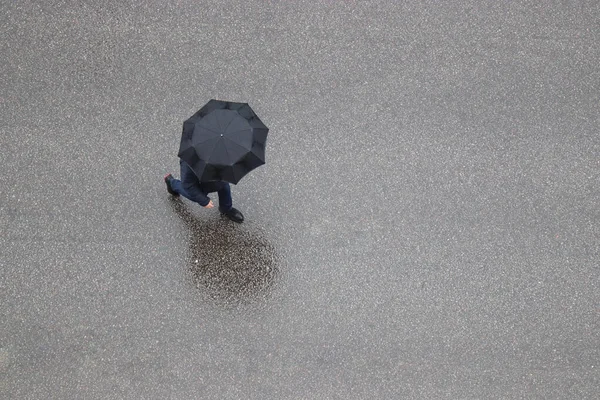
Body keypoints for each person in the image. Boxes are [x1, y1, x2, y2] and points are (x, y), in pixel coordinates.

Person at [164, 161, 244, 223]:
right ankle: (172, 183)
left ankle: (226, 208)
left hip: (218, 178)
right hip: (199, 180)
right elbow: (188, 185)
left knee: (224, 186)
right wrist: (203, 200)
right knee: (194, 195)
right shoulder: (189, 163)